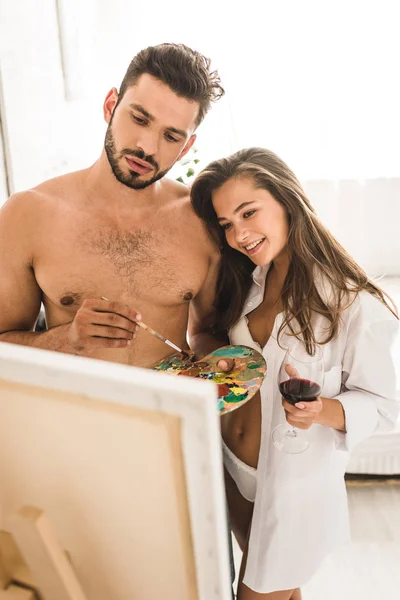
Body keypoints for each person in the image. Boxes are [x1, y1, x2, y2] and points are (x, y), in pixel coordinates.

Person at [190, 147, 399, 600]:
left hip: (292, 486)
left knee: (261, 588)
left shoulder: (349, 302)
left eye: (249, 212)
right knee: (277, 588)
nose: (239, 234)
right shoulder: (247, 281)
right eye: (227, 224)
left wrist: (324, 410)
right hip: (233, 467)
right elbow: (215, 344)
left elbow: (386, 407)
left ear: (286, 201)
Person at [0, 43, 225, 368]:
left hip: (171, 416)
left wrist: (217, 363)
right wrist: (66, 340)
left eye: (171, 136)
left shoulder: (202, 219)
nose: (147, 147)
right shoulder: (27, 215)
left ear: (187, 147)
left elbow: (206, 332)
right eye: (139, 118)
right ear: (110, 106)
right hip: (77, 415)